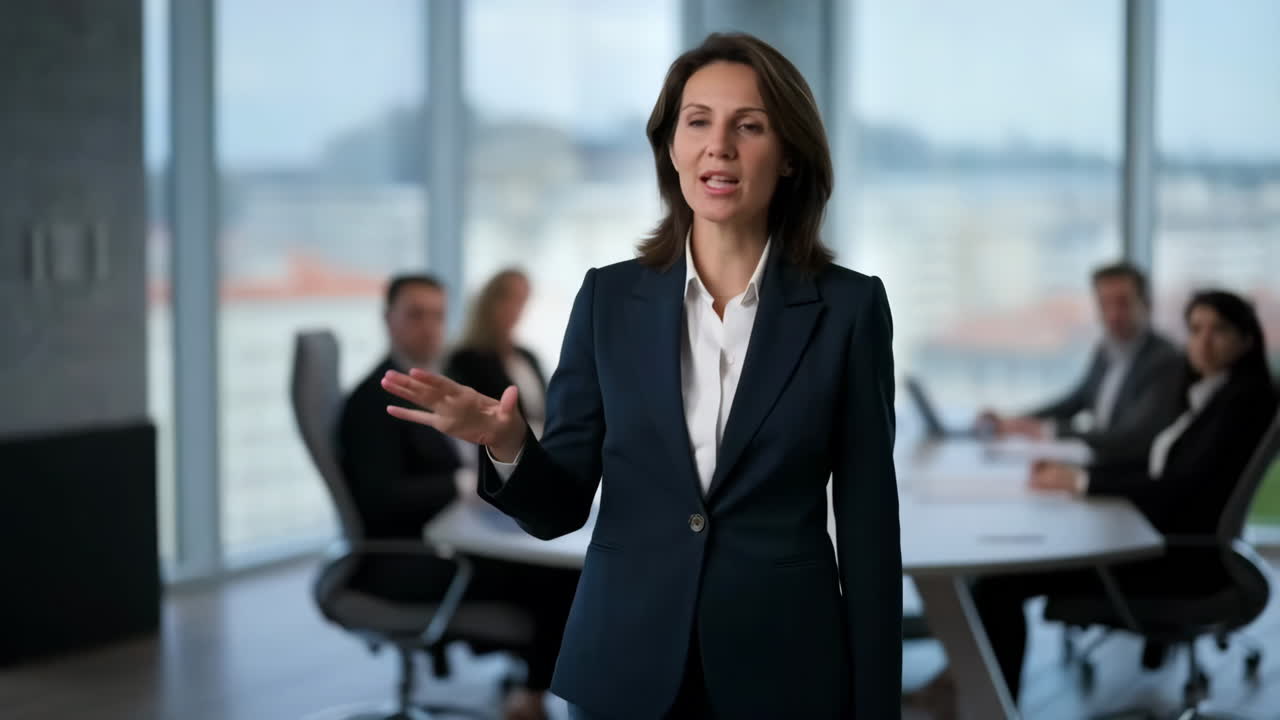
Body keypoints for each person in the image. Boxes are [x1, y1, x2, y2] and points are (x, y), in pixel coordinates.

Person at [380, 33, 902, 720]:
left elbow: (869, 531)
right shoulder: (607, 300)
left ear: (791, 158)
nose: (720, 146)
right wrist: (505, 444)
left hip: (784, 662)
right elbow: (558, 508)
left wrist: (875, 708)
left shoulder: (849, 308)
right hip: (624, 657)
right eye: (698, 122)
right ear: (673, 149)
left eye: (749, 126)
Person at [920, 290, 1278, 712]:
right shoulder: (1211, 394)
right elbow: (1156, 470)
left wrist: (1085, 482)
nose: (1203, 341)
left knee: (998, 584)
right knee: (999, 576)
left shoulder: (1241, 403)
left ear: (1246, 340)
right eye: (1196, 329)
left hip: (1179, 562)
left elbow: (1183, 488)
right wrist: (1080, 479)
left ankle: (989, 706)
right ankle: (976, 695)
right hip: (1160, 540)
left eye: (1219, 330)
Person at [337, 274, 579, 720]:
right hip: (409, 556)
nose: (429, 327)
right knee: (560, 577)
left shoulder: (437, 387)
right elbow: (380, 499)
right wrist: (462, 486)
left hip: (452, 536)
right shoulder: (372, 401)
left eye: (437, 315)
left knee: (554, 555)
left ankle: (534, 687)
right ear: (388, 320)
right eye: (415, 315)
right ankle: (529, 696)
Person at [979, 263, 1185, 464]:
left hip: (1131, 475)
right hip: (1098, 464)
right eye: (1105, 304)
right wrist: (1014, 422)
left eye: (1123, 303)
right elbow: (1075, 401)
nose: (1113, 315)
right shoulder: (1105, 351)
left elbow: (1130, 437)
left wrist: (1050, 431)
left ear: (1146, 305)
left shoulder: (1165, 361)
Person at [445, 269, 549, 438]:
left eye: (521, 300)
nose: (515, 308)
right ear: (489, 301)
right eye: (509, 298)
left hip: (542, 450)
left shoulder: (527, 356)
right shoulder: (465, 360)